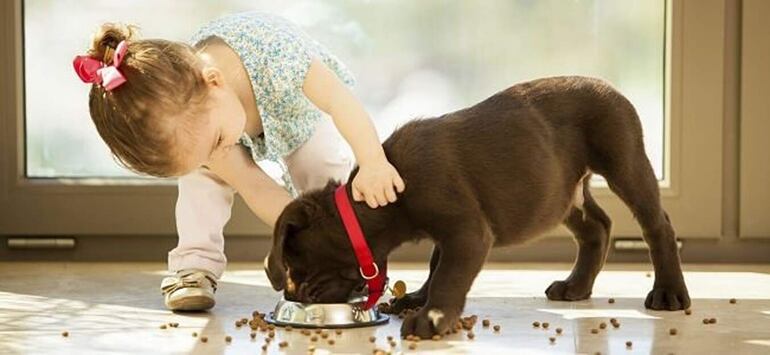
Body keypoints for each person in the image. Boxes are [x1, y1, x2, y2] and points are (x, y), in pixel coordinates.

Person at [73, 11, 404, 311]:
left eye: (216, 143)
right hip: (219, 119)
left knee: (321, 167)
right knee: (201, 182)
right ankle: (194, 266)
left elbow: (339, 100)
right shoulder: (201, 125)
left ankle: (344, 260)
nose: (215, 155)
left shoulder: (279, 57)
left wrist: (372, 160)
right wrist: (295, 238)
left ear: (215, 82)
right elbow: (254, 185)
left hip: (297, 112)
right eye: (204, 155)